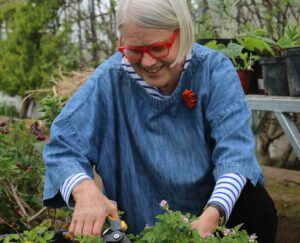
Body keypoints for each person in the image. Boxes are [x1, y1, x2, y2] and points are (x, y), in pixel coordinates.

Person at [43, 0, 277, 242]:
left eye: (158, 48)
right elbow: (64, 145)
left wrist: (213, 214)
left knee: (255, 203)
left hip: (210, 219)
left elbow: (235, 156)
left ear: (183, 33)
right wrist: (85, 190)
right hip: (142, 226)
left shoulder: (213, 71)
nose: (147, 62)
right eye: (134, 50)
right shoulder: (110, 81)